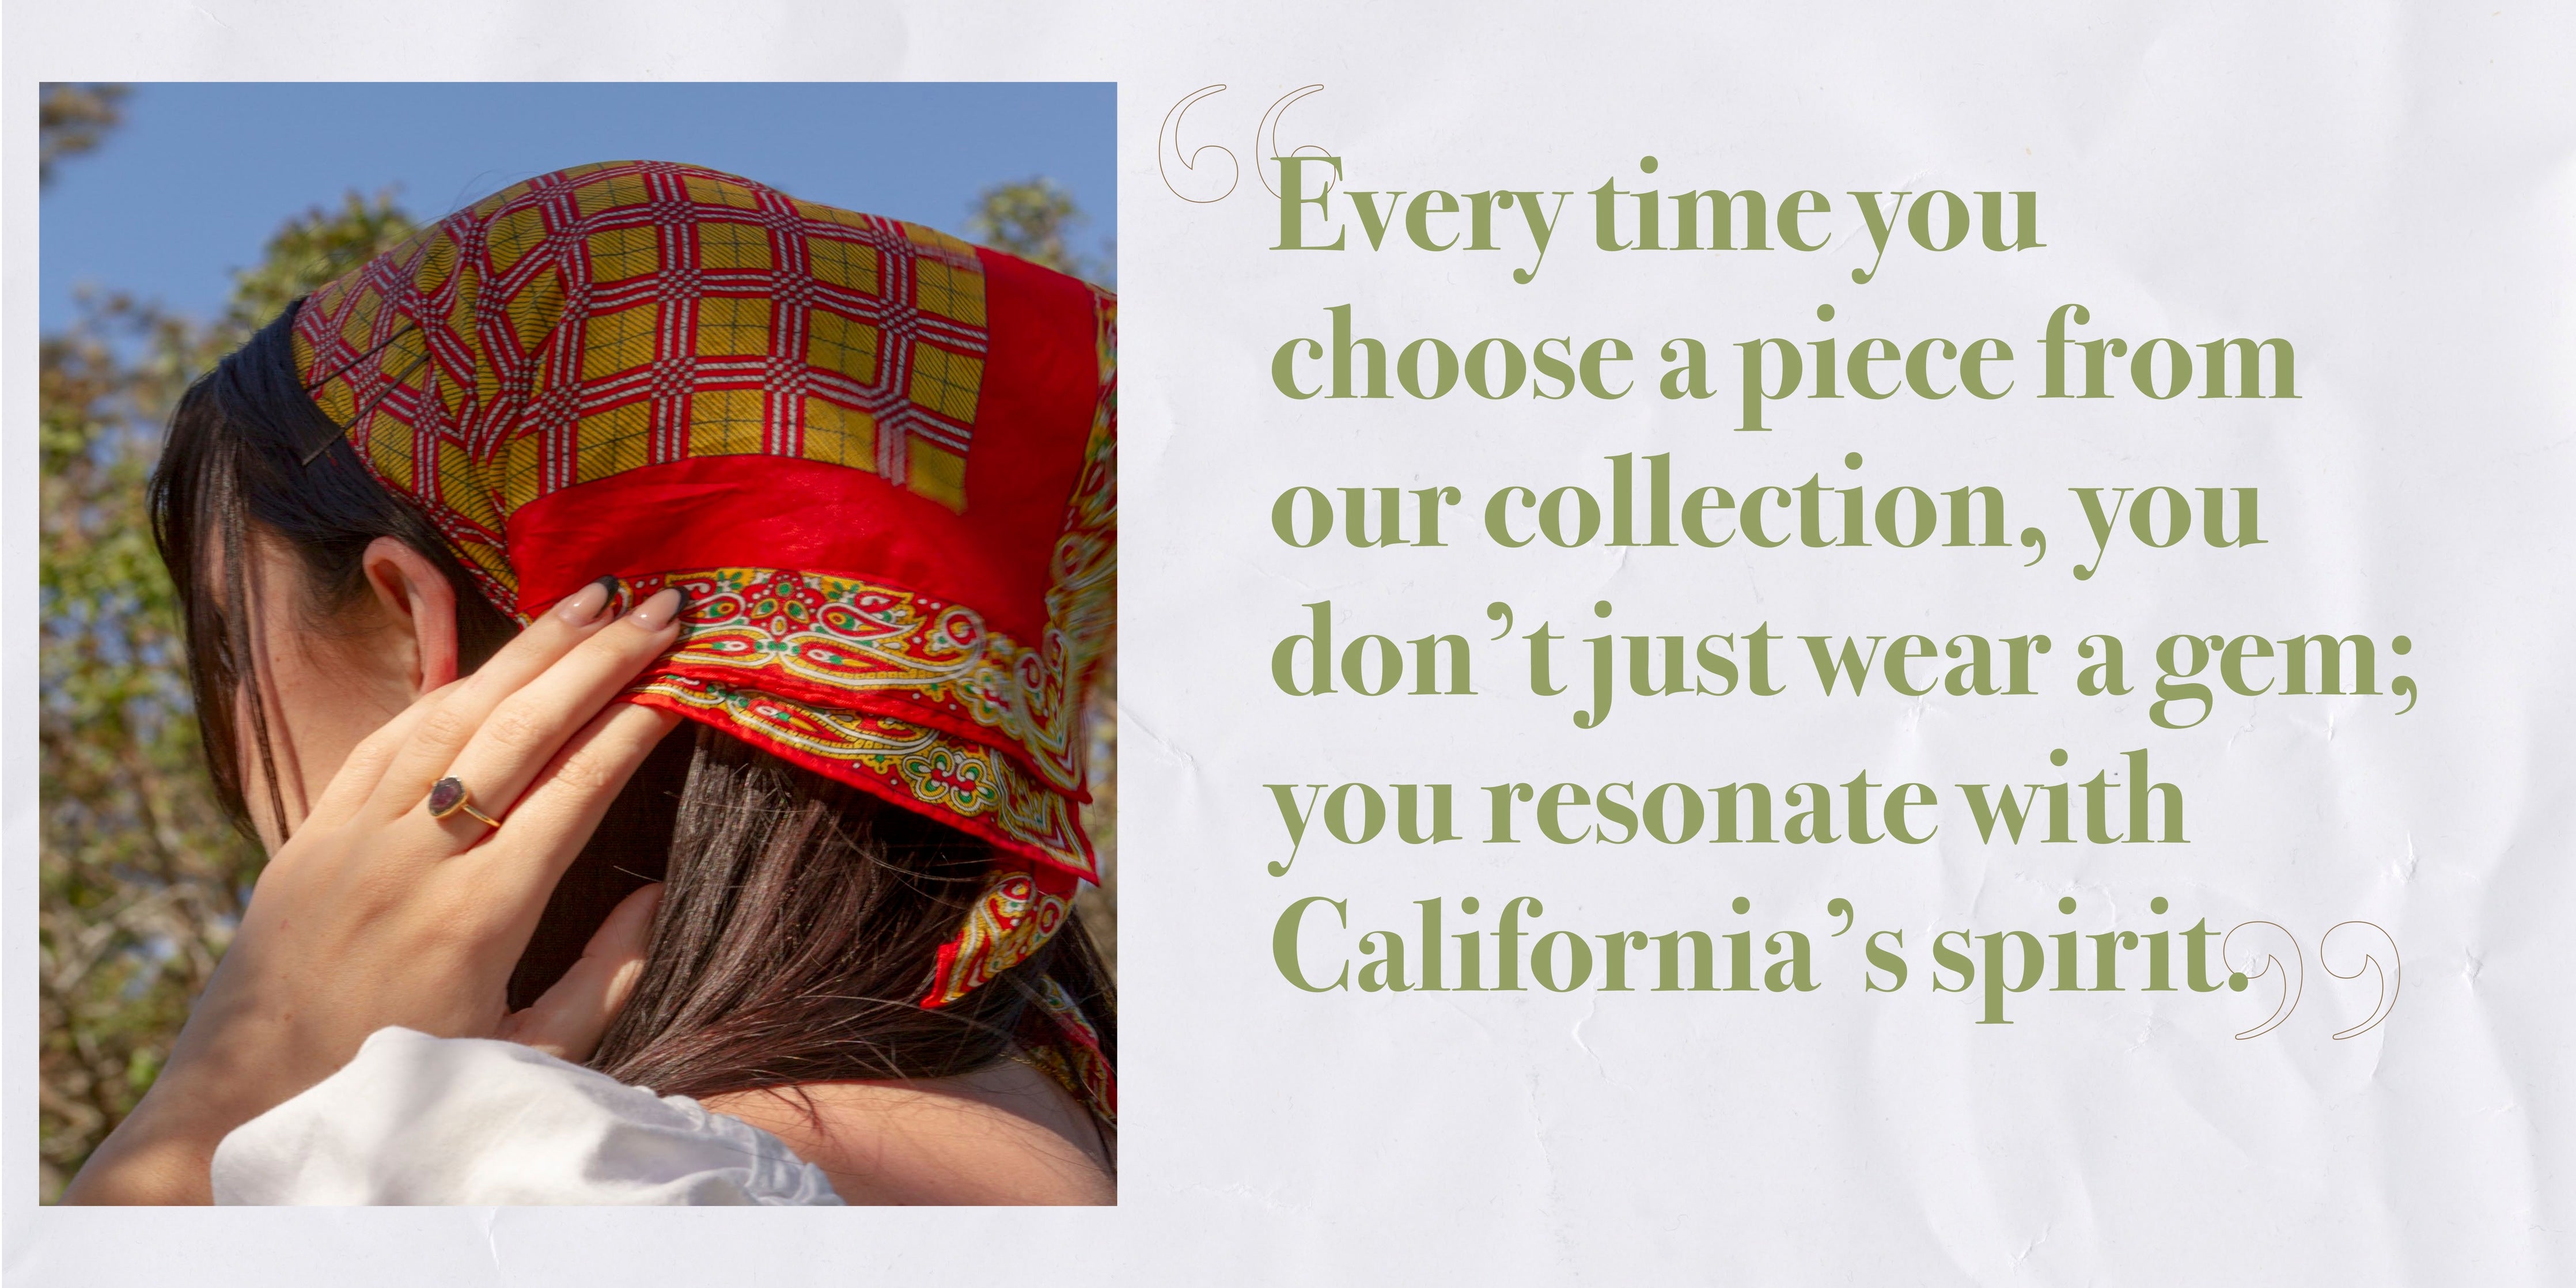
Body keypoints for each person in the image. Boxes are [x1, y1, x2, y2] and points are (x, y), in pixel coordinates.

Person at [61, 160, 1117, 1205]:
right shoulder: (1105, 1118)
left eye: (232, 649)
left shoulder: (540, 1182)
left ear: (406, 624)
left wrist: (201, 1121)